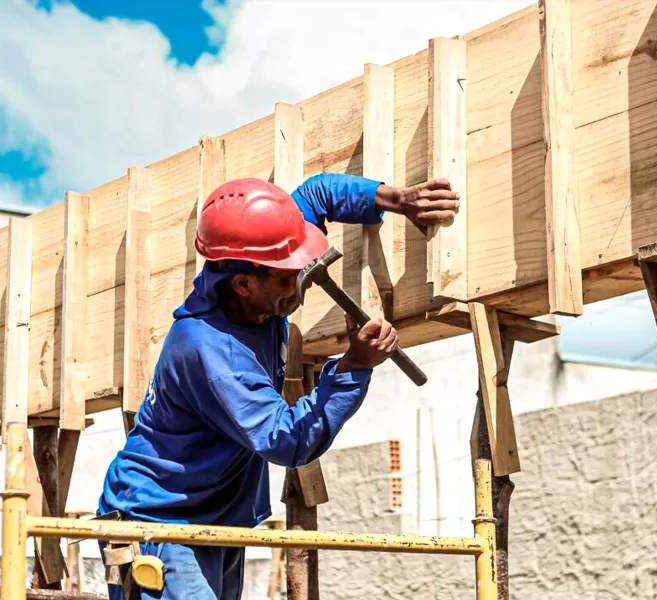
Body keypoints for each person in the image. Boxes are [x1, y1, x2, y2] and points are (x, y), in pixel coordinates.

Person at [97, 172, 460, 600]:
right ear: (244, 283)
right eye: (289, 278)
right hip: (159, 525)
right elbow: (285, 439)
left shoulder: (263, 251)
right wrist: (354, 365)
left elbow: (315, 195)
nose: (301, 285)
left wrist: (395, 198)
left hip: (211, 518)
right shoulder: (212, 351)